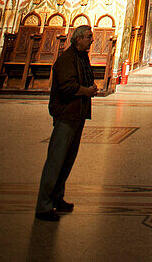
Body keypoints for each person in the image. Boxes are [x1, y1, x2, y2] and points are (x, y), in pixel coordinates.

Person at [35, 25, 98, 221]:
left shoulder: (81, 57)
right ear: (78, 39)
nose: (91, 40)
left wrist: (90, 88)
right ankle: (43, 206)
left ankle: (57, 197)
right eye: (88, 37)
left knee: (67, 159)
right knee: (56, 160)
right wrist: (87, 91)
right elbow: (67, 87)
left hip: (78, 114)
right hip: (66, 115)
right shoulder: (66, 60)